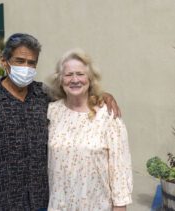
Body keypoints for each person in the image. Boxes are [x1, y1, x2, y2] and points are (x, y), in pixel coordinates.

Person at [0, 33, 121, 211]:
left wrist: (101, 95)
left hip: (39, 201)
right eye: (20, 61)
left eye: (31, 63)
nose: (26, 67)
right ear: (4, 61)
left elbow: (75, 94)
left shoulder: (44, 95)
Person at [47, 49, 133, 211]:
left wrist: (120, 207)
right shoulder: (51, 112)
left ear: (90, 79)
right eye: (68, 74)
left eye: (80, 74)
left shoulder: (108, 116)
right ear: (60, 79)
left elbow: (120, 172)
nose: (74, 79)